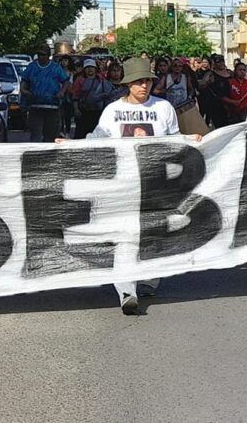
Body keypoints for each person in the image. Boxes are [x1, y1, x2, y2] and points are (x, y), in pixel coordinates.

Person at [72, 57, 186, 315]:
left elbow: (174, 141)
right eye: (137, 82)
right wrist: (70, 145)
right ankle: (126, 290)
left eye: (147, 81)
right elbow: (97, 140)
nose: (143, 86)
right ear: (127, 84)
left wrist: (192, 140)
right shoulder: (112, 111)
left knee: (154, 233)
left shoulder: (164, 107)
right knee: (124, 235)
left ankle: (148, 278)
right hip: (122, 184)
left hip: (155, 182)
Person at [21, 48, 70, 142]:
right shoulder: (32, 66)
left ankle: (48, 155)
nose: (42, 57)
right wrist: (24, 90)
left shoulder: (56, 67)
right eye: (40, 55)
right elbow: (24, 80)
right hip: (35, 106)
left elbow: (66, 81)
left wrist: (62, 92)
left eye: (44, 55)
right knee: (36, 135)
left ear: (48, 56)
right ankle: (35, 154)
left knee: (50, 135)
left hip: (52, 106)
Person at [71, 59, 113, 139]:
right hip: (83, 111)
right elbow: (76, 95)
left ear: (95, 68)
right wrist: (76, 109)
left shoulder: (101, 79)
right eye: (87, 67)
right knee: (80, 135)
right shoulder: (80, 80)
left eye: (92, 67)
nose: (90, 69)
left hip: (98, 111)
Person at [197, 54, 233, 129]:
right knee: (219, 125)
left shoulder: (230, 73)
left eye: (222, 61)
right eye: (218, 62)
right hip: (216, 103)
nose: (221, 64)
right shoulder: (210, 74)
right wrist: (207, 82)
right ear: (214, 63)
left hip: (230, 101)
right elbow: (201, 86)